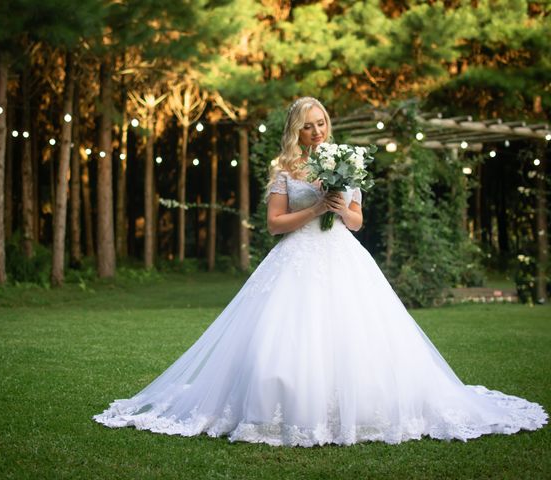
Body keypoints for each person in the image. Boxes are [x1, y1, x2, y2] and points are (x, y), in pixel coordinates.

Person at [93, 97, 547, 447]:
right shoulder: (285, 169)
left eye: (321, 122)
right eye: (307, 124)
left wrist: (339, 206)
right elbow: (273, 224)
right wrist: (313, 210)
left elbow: (356, 221)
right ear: (296, 129)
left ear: (327, 124)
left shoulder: (347, 160)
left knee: (358, 332)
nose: (316, 130)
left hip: (342, 255)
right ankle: (279, 408)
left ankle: (364, 407)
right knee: (286, 334)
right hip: (296, 257)